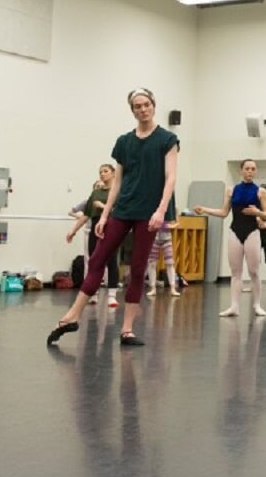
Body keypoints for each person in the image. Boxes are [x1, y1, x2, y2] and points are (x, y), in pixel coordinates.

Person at [47, 87, 179, 347]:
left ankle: (127, 329)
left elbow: (170, 177)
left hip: (149, 211)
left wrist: (161, 210)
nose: (142, 109)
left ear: (153, 104)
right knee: (97, 259)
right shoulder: (123, 142)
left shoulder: (167, 139)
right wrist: (105, 214)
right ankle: (72, 315)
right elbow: (117, 181)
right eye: (137, 106)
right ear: (132, 110)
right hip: (124, 208)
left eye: (146, 104)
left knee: (138, 268)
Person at [194, 160, 266, 317]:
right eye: (247, 169)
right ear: (240, 171)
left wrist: (256, 212)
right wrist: (205, 209)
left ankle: (257, 305)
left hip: (252, 232)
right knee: (236, 272)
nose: (250, 171)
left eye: (253, 169)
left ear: (255, 172)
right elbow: (223, 212)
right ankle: (234, 306)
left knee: (254, 271)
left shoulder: (261, 192)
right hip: (235, 231)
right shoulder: (231, 190)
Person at [65, 166, 123, 307]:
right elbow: (86, 214)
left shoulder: (119, 191)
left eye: (105, 171)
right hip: (96, 227)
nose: (102, 174)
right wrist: (73, 230)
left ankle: (111, 295)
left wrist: (103, 206)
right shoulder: (95, 193)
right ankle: (93, 293)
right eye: (100, 172)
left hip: (112, 226)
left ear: (114, 173)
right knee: (94, 261)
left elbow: (120, 210)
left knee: (111, 260)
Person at [145, 219, 181, 297]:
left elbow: (178, 223)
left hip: (167, 239)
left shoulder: (172, 209)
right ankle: (153, 288)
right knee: (152, 263)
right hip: (154, 238)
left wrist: (170, 226)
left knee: (170, 263)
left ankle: (173, 289)